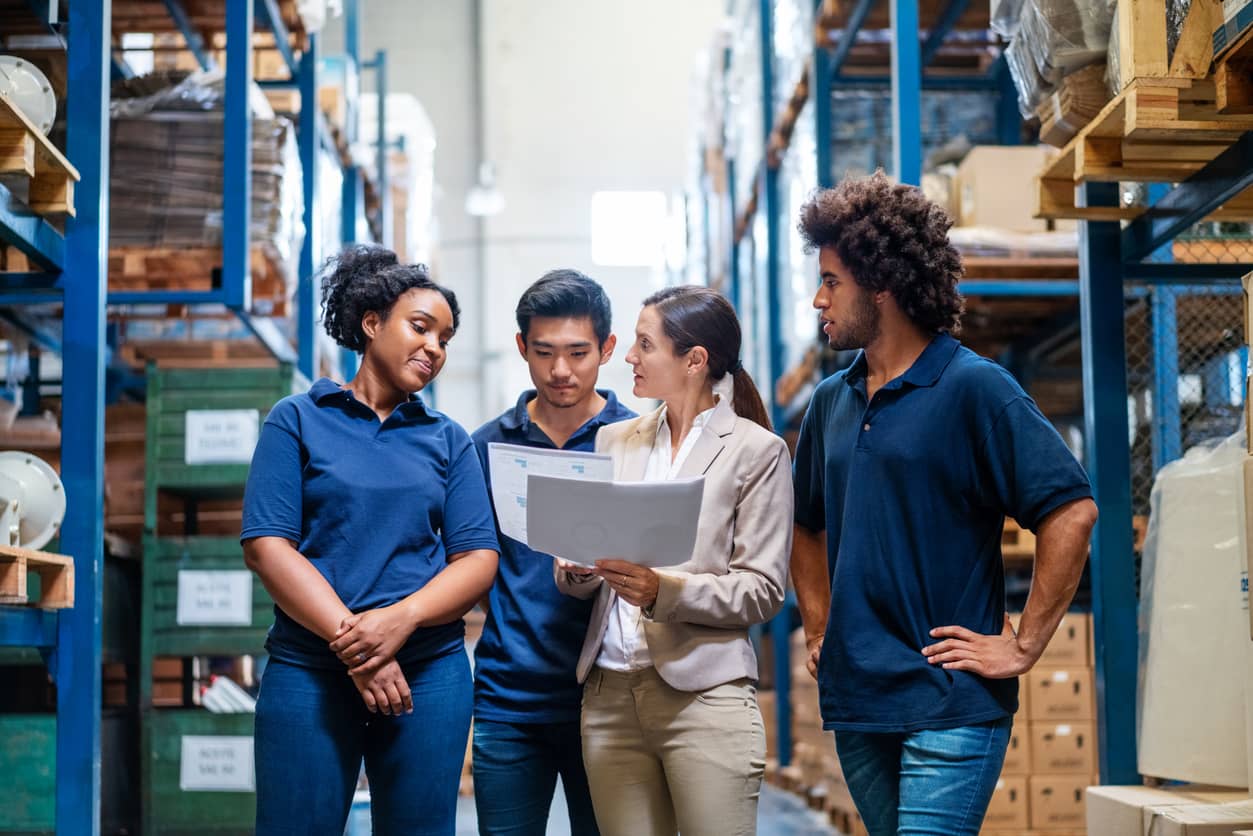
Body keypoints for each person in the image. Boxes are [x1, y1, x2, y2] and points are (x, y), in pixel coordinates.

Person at [789, 172, 1099, 836]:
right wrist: (818, 629)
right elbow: (803, 525)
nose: (818, 300)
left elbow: (1070, 510)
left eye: (831, 281)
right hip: (859, 701)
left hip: (951, 700)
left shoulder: (974, 389)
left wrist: (1022, 646)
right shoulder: (829, 403)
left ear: (883, 288)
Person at [241, 245, 500, 835]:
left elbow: (478, 558)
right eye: (420, 327)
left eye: (445, 338)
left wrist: (400, 621)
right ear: (371, 322)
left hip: (427, 673)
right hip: (310, 669)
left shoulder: (447, 439)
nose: (434, 348)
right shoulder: (298, 419)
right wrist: (358, 648)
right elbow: (267, 546)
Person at [555, 285, 792, 836]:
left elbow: (762, 588)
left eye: (644, 345)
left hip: (704, 699)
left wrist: (664, 591)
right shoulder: (615, 441)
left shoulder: (756, 451)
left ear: (694, 360)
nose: (630, 358)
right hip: (609, 697)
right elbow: (584, 562)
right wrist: (577, 568)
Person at [469, 269, 635, 836]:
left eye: (578, 352)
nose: (560, 370)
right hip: (509, 700)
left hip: (614, 701)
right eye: (543, 352)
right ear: (522, 348)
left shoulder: (638, 442)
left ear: (608, 349)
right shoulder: (485, 446)